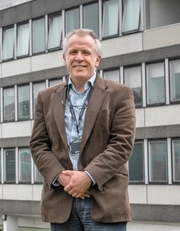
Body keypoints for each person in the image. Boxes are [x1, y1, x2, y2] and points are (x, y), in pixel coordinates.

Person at [30, 28, 136, 230]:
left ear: (97, 59)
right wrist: (60, 176)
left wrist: (88, 177)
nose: (79, 58)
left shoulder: (119, 94)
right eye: (73, 52)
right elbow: (38, 144)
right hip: (62, 199)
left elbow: (122, 144)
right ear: (64, 58)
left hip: (104, 200)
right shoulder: (46, 97)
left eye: (86, 52)